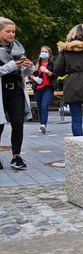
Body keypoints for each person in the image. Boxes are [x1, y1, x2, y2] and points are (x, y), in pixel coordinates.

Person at [0, 18, 35, 169]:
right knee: (0, 125)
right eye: (8, 31)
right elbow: (5, 69)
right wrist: (12, 65)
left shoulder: (18, 48)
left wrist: (29, 67)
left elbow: (23, 73)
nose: (11, 34)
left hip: (16, 89)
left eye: (13, 31)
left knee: (18, 122)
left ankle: (17, 156)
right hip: (1, 90)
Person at [29, 45, 56, 134]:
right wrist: (35, 78)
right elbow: (29, 74)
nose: (44, 53)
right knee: (40, 106)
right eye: (42, 51)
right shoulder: (36, 63)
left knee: (44, 105)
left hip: (48, 87)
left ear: (49, 54)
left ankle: (44, 124)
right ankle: (42, 125)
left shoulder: (52, 64)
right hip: (38, 88)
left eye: (46, 52)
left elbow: (55, 75)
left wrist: (47, 71)